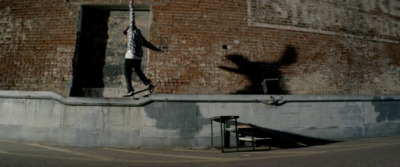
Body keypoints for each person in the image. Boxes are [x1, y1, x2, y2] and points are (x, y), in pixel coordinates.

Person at [123, 0, 167, 97]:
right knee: (138, 71)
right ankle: (147, 83)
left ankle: (130, 90)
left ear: (128, 30)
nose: (126, 34)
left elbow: (132, 17)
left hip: (130, 55)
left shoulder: (132, 31)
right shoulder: (140, 36)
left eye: (126, 32)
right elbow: (149, 45)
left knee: (127, 72)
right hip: (138, 57)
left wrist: (131, 5)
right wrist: (160, 50)